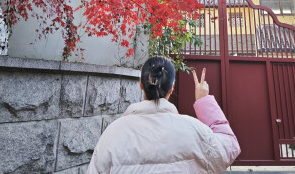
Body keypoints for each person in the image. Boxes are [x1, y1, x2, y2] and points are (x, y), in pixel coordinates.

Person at [87, 55, 240, 173]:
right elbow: (229, 146)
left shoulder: (112, 133)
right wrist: (204, 100)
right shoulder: (195, 131)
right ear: (172, 88)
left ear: (141, 84)